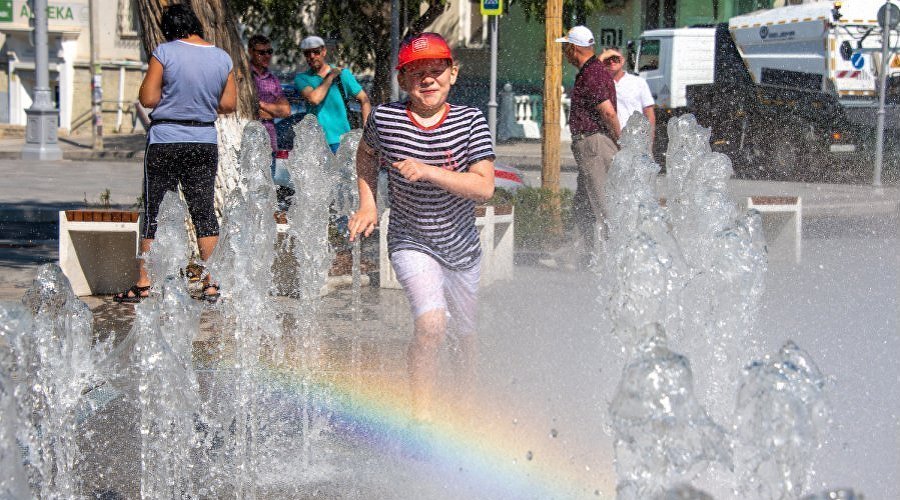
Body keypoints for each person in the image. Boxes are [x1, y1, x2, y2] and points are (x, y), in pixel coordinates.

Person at [347, 33, 495, 424]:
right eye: (417, 73)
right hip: (411, 241)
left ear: (453, 74)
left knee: (465, 334)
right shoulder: (385, 118)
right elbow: (365, 155)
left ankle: (465, 406)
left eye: (436, 71)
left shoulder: (470, 121)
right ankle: (422, 417)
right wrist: (368, 202)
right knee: (431, 326)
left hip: (462, 246)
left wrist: (429, 171)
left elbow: (483, 186)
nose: (428, 80)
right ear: (402, 78)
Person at [114, 4, 237, 303]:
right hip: (203, 141)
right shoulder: (222, 57)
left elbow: (147, 98)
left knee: (155, 210)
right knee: (204, 212)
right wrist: (201, 100)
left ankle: (144, 283)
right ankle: (212, 283)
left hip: (166, 139)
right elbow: (230, 103)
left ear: (168, 27)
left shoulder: (165, 52)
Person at [556, 25, 620, 260]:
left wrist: (620, 141)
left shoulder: (592, 74)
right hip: (591, 145)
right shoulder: (592, 70)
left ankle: (616, 259)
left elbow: (608, 113)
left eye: (565, 48)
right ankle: (580, 256)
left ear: (573, 48)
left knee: (603, 205)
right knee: (583, 204)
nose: (564, 53)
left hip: (594, 145)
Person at [294, 35, 371, 153]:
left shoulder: (342, 74)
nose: (312, 56)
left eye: (316, 52)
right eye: (307, 53)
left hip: (342, 141)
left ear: (324, 51)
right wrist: (330, 76)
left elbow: (364, 99)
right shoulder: (302, 78)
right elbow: (314, 99)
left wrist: (367, 132)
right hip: (316, 143)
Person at [248, 34, 290, 159]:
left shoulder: (273, 79)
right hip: (248, 143)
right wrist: (274, 110)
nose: (267, 56)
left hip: (269, 144)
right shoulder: (244, 75)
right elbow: (246, 110)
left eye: (269, 52)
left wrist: (260, 104)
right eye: (261, 52)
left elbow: (286, 111)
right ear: (251, 51)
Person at [599, 46, 655, 140]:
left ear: (623, 60)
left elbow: (649, 114)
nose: (611, 62)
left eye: (615, 58)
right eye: (607, 59)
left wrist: (649, 142)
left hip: (634, 139)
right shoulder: (599, 84)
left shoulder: (638, 82)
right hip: (608, 140)